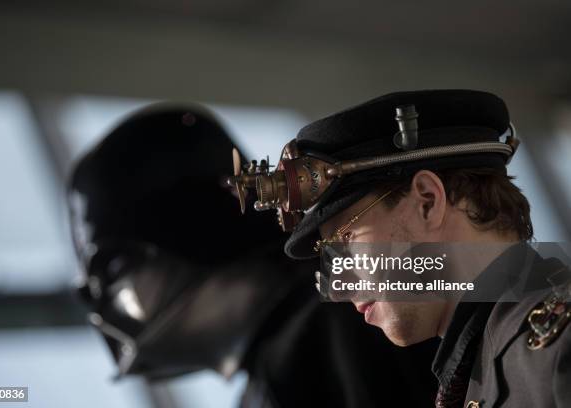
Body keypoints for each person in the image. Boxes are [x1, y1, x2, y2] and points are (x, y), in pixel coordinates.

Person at [67, 103, 439, 407]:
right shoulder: (290, 359)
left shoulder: (351, 317)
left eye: (113, 268)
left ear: (190, 229)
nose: (102, 306)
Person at [229, 90, 571, 407]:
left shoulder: (556, 353)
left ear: (426, 201)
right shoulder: (491, 367)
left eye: (345, 242)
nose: (342, 286)